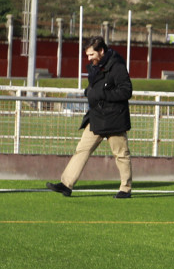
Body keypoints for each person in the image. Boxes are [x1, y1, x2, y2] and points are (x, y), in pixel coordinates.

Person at [46, 36, 133, 199]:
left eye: (91, 55)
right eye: (87, 56)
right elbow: (96, 87)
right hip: (97, 116)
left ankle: (125, 189)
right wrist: (89, 92)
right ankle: (66, 184)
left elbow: (126, 91)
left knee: (121, 154)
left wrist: (101, 94)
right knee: (82, 149)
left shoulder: (118, 66)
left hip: (114, 118)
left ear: (101, 51)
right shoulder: (97, 66)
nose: (89, 59)